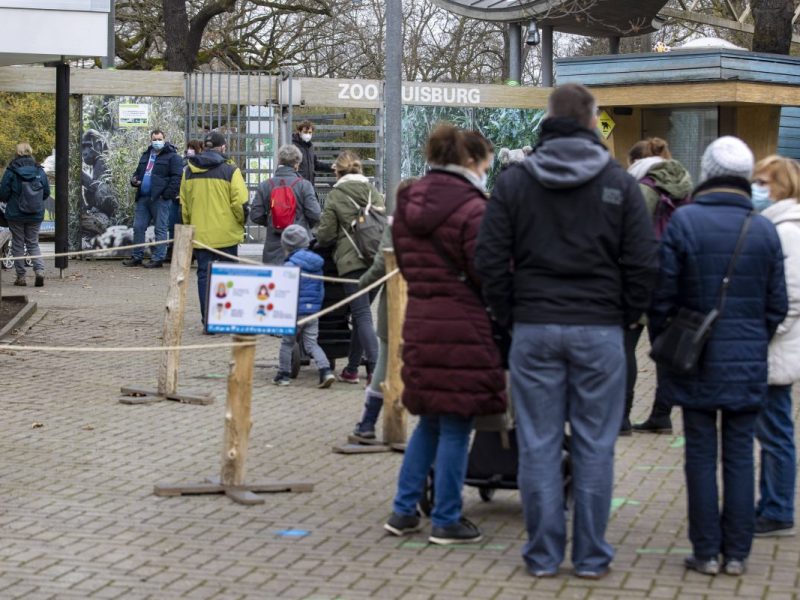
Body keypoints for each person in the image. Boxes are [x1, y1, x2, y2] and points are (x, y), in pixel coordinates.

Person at [474, 83, 659, 578]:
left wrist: (510, 314)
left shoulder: (515, 182)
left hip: (533, 327)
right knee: (596, 445)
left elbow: (488, 260)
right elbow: (643, 262)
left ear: (549, 119)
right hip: (599, 329)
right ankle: (592, 557)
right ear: (592, 120)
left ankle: (542, 556)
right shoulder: (618, 183)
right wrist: (623, 316)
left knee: (536, 443)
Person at [649, 137, 788, 576]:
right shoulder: (763, 227)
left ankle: (706, 551)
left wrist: (670, 343)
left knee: (701, 456)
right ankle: (739, 554)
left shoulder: (685, 222)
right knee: (741, 456)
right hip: (747, 363)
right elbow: (777, 305)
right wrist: (752, 340)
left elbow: (662, 296)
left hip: (694, 360)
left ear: (707, 172)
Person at [383, 125, 506, 545]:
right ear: (471, 161)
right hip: (464, 325)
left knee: (430, 422)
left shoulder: (408, 202)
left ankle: (403, 511)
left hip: (421, 318)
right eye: (486, 160)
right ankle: (447, 518)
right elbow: (486, 269)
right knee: (456, 424)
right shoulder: (475, 209)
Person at [625, 138, 694, 435]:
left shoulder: (643, 186)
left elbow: (631, 235)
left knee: (625, 346)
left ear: (636, 162)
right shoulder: (684, 184)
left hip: (643, 277)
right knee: (663, 348)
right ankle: (661, 415)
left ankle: (620, 417)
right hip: (673, 274)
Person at [751, 155, 800, 537]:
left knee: (776, 432)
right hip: (774, 346)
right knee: (772, 431)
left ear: (781, 186)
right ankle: (771, 502)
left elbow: (792, 298)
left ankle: (778, 508)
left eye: (763, 183)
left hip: (775, 349)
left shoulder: (787, 230)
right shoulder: (777, 225)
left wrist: (764, 333)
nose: (757, 190)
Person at [351, 177, 418, 442]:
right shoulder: (435, 226)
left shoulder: (398, 225)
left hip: (396, 307)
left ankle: (367, 423)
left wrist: (362, 284)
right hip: (427, 306)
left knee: (386, 363)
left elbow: (382, 262)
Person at [316, 151, 382, 383]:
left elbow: (326, 233)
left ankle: (375, 367)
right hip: (377, 260)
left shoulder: (337, 194)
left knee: (362, 314)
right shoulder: (373, 191)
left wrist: (316, 238)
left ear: (337, 171)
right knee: (360, 313)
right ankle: (352, 368)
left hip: (352, 262)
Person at [179, 131, 248, 325]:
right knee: (229, 275)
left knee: (204, 276)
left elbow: (184, 205)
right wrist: (240, 222)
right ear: (223, 147)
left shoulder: (189, 170)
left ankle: (208, 320)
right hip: (227, 234)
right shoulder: (231, 170)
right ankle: (225, 318)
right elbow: (240, 203)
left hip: (200, 234)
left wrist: (188, 226)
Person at [273, 224, 335, 389]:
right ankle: (325, 370)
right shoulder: (317, 265)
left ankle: (283, 375)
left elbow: (283, 291)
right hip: (312, 312)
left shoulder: (289, 267)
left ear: (287, 245)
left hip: (294, 313)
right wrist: (315, 308)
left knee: (287, 343)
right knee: (311, 344)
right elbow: (320, 290)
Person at [250, 144, 321, 264]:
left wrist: (272, 221)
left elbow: (255, 215)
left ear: (280, 161)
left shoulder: (265, 185)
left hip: (273, 247)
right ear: (296, 164)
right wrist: (304, 224)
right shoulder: (304, 185)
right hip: (300, 244)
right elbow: (315, 214)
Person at [124, 129, 183, 268]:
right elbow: (138, 173)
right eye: (154, 139)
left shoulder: (173, 157)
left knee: (160, 229)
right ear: (150, 140)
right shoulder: (146, 155)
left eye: (159, 139)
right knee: (138, 227)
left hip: (160, 199)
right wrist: (134, 180)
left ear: (164, 139)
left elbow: (177, 178)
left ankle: (158, 258)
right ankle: (137, 256)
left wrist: (166, 195)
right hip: (143, 198)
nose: (157, 142)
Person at [0, 143, 50, 287]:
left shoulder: (11, 170)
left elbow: (3, 193)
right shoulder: (39, 171)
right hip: (35, 213)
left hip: (15, 214)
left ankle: (21, 277)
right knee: (33, 242)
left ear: (17, 153)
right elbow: (46, 192)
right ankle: (39, 270)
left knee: (17, 243)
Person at [292, 120, 329, 187]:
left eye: (310, 132)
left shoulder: (310, 147)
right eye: (305, 132)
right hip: (297, 186)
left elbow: (315, 164)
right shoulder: (292, 146)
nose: (308, 135)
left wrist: (331, 167)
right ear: (299, 132)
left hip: (310, 185)